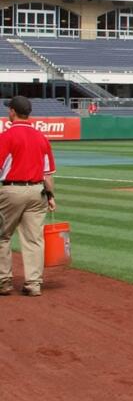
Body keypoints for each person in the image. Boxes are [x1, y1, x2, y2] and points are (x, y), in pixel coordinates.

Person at [0, 96, 57, 297]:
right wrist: (50, 195)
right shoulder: (41, 137)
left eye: (10, 110)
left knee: (2, 236)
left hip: (12, 191)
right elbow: (48, 173)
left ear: (13, 112)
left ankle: (4, 281)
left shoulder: (6, 136)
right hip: (37, 191)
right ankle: (33, 283)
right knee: (34, 239)